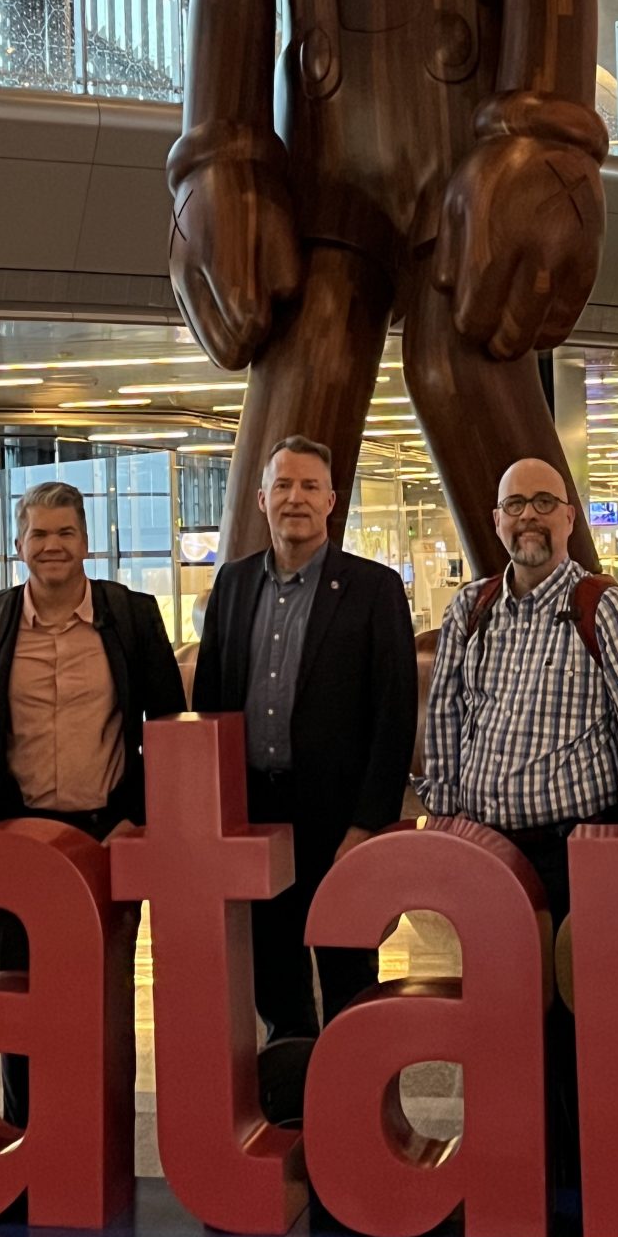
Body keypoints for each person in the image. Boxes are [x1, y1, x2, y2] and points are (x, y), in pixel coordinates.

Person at [416, 455, 618, 1208]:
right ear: (497, 521)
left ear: (568, 518)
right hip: (490, 860)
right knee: (500, 1031)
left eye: (543, 503)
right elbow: (447, 735)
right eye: (514, 506)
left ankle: (580, 1194)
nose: (528, 518)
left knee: (575, 1035)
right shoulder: (473, 611)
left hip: (577, 857)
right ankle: (513, 1190)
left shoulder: (605, 609)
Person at [0, 480, 186, 1124]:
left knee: (101, 996)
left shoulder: (129, 616)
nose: (53, 546)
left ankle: (95, 1138)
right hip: (20, 845)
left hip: (107, 837)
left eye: (65, 533)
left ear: (86, 542)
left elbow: (168, 722)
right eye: (39, 534)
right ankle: (27, 1139)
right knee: (23, 999)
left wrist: (140, 817)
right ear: (18, 545)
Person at [193, 435, 417, 1042]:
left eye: (310, 486)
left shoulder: (373, 589)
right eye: (284, 486)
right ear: (262, 498)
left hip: (338, 823)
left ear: (331, 502)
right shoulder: (233, 586)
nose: (296, 498)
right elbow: (210, 702)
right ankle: (290, 1098)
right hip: (255, 820)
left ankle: (354, 1108)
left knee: (348, 974)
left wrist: (367, 826)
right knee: (273, 974)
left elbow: (393, 716)